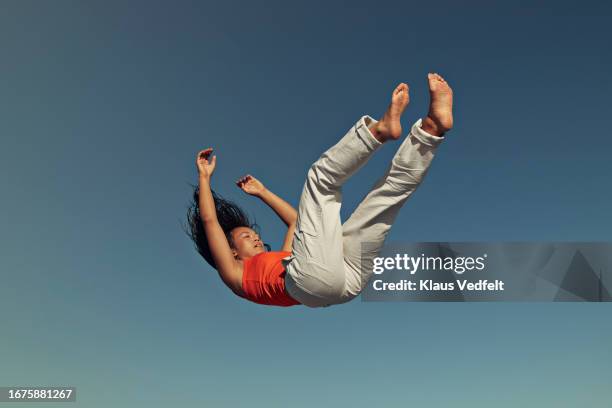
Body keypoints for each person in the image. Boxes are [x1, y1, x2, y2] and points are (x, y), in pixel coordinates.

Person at [187, 73, 454, 308]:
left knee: (386, 199)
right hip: (310, 281)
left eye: (253, 233)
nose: (256, 237)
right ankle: (379, 130)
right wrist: (204, 177)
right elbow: (210, 220)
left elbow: (296, 221)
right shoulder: (234, 272)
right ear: (232, 250)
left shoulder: (284, 258)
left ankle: (431, 130)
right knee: (320, 178)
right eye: (246, 236)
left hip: (345, 282)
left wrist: (263, 192)